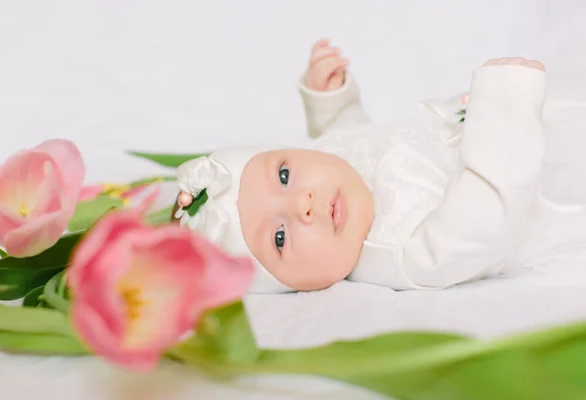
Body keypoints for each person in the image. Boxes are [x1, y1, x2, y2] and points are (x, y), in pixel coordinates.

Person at [171, 38, 586, 294]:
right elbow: (489, 217)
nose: (304, 203)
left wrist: (331, 103)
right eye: (279, 237)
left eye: (284, 175)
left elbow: (349, 140)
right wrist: (503, 104)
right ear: (289, 287)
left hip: (539, 114)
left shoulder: (337, 174)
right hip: (550, 175)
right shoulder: (402, 253)